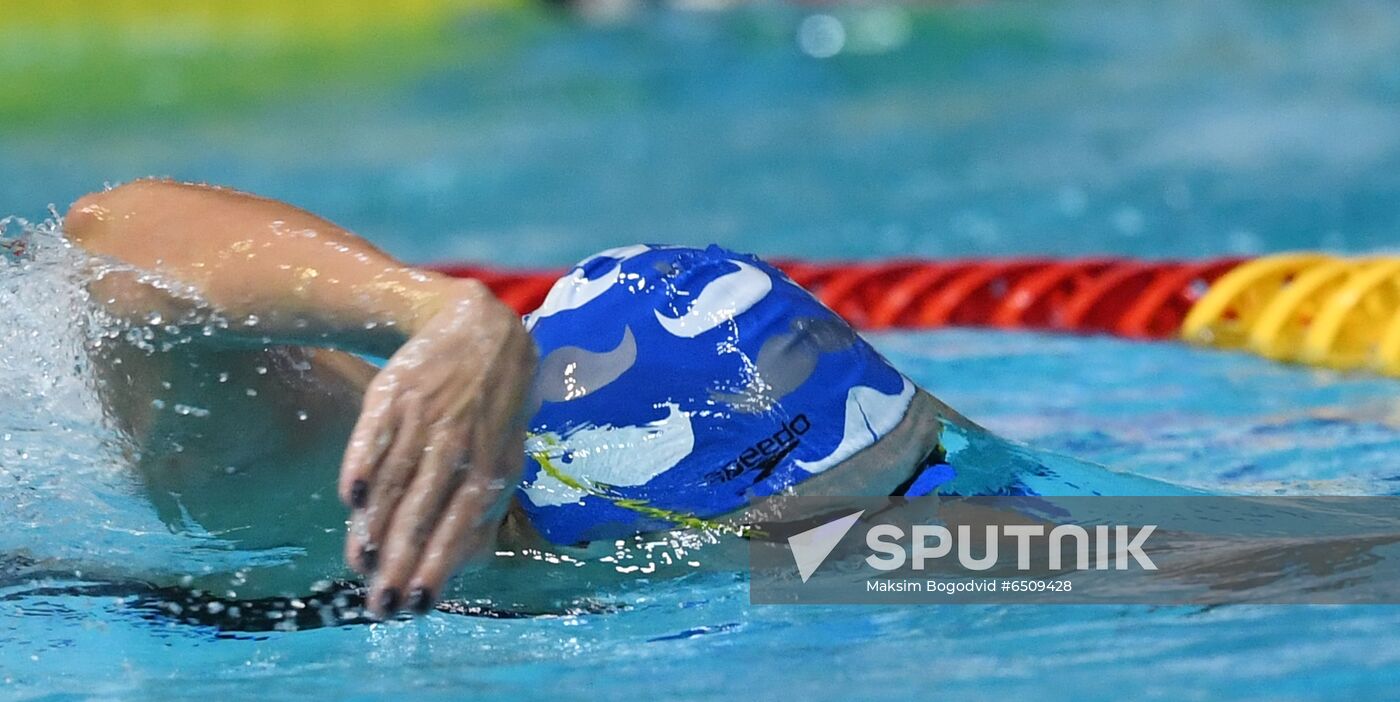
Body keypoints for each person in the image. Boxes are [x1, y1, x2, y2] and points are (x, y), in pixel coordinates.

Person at [64, 179, 1186, 619]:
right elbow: (112, 239)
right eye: (846, 523)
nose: (899, 541)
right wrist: (439, 313)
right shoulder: (324, 503)